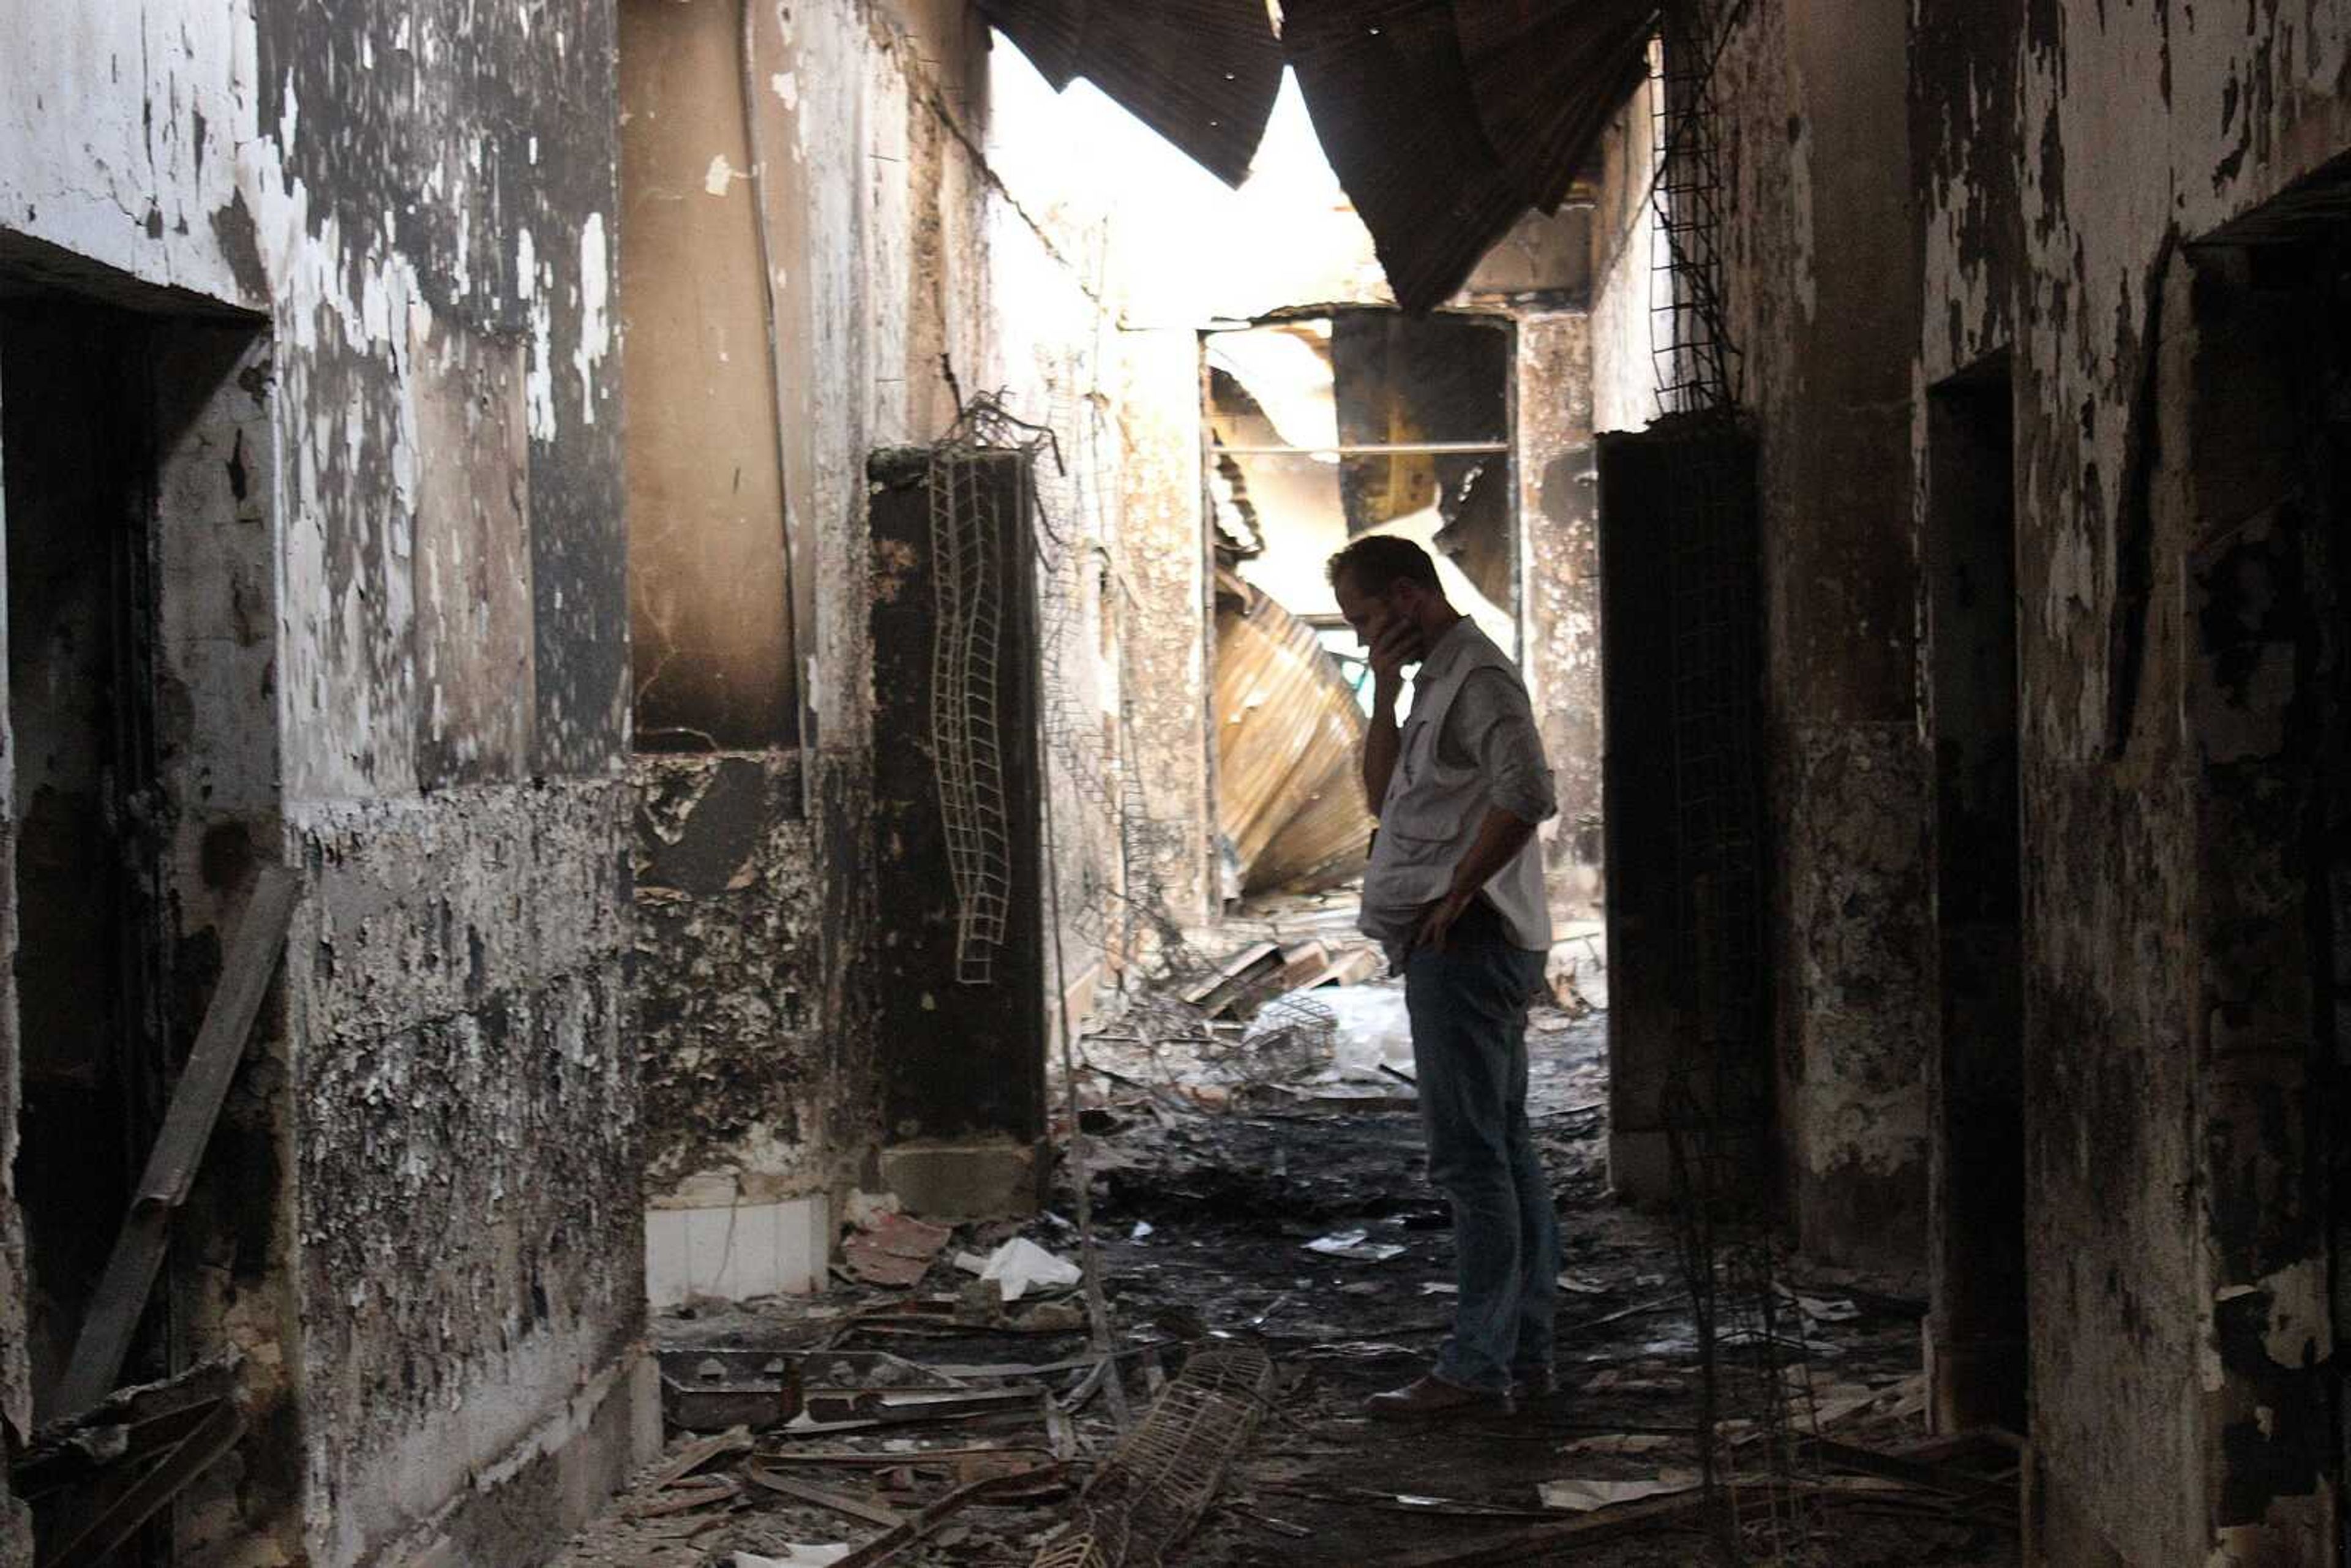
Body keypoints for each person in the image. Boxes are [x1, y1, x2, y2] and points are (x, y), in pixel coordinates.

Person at [1327, 535, 1559, 1420]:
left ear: (1408, 596)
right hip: (1455, 944)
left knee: (1472, 1161)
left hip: (1470, 945)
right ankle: (1522, 1350)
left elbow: (1528, 790)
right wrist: (1381, 690)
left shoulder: (1481, 678)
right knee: (1502, 1147)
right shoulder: (1431, 681)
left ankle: (1475, 1366)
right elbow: (1385, 798)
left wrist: (1461, 891)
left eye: (1365, 618)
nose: (1359, 635)